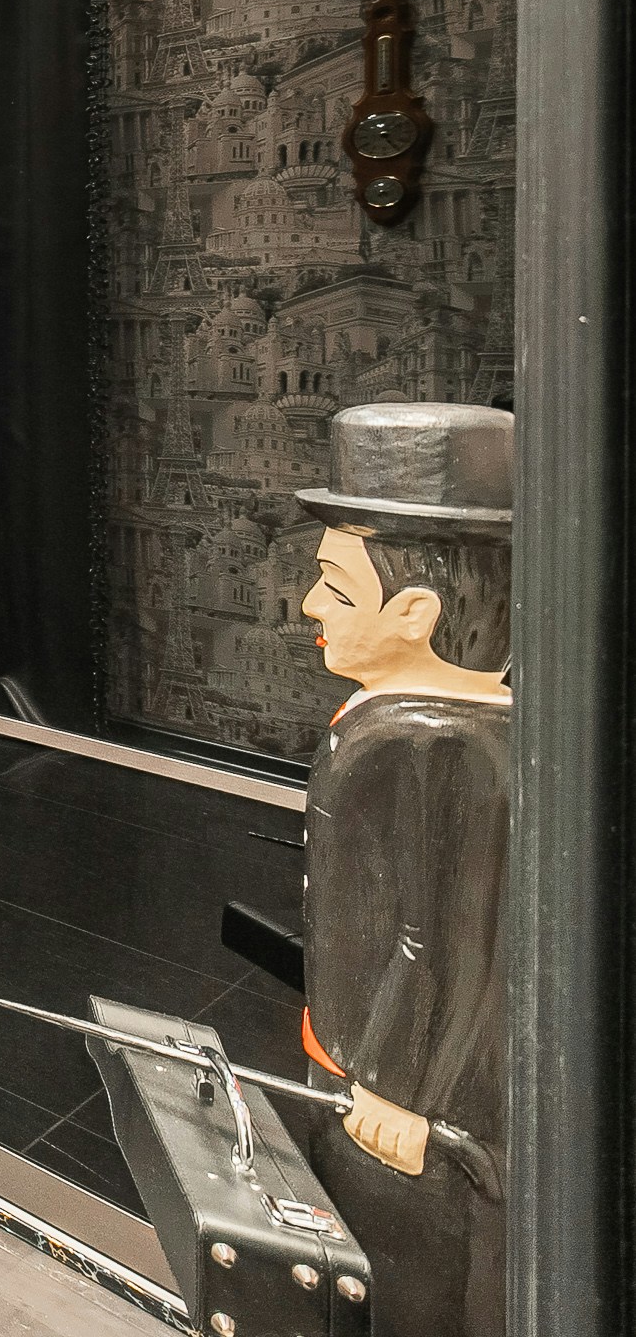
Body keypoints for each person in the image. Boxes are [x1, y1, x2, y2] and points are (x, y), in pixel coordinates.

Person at [296, 402, 513, 1337]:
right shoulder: (412, 723)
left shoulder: (427, 741)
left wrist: (396, 1088)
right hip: (352, 1047)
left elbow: (443, 939)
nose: (311, 606)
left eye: (336, 589)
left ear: (416, 613)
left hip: (392, 1094)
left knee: (399, 1274)